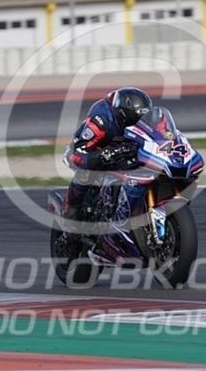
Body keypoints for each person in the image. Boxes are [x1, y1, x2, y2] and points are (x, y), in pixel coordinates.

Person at [58, 87, 153, 253]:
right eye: (136, 116)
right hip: (93, 151)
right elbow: (77, 153)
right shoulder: (102, 119)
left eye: (142, 115)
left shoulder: (142, 122)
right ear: (123, 113)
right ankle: (71, 225)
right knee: (85, 173)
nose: (139, 119)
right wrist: (101, 156)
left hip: (125, 153)